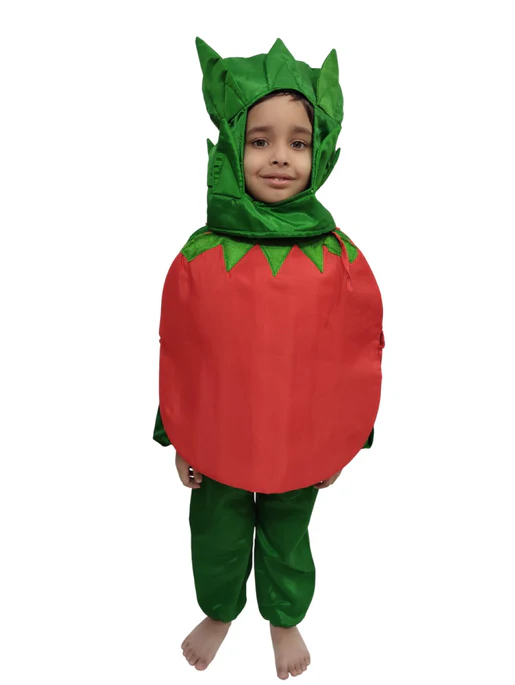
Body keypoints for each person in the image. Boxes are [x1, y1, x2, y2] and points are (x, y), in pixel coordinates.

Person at [153, 37, 384, 680]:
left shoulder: (338, 257)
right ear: (232, 145)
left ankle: (284, 618)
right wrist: (179, 433)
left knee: (287, 531)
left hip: (299, 435)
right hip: (220, 434)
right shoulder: (202, 255)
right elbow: (183, 350)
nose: (280, 156)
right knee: (216, 529)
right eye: (259, 140)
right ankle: (219, 611)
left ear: (321, 151)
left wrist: (343, 440)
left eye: (298, 142)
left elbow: (353, 351)